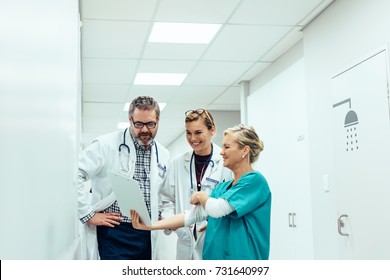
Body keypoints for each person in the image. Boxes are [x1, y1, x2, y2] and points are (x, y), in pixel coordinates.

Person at [132, 124, 271, 260]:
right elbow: (191, 216)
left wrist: (200, 195)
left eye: (227, 147)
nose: (221, 152)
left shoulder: (255, 181)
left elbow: (217, 209)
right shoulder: (222, 188)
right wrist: (150, 225)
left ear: (245, 151)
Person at [77, 96, 169, 260]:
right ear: (130, 120)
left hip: (146, 231)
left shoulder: (163, 154)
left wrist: (166, 216)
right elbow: (75, 173)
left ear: (158, 120)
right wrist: (88, 214)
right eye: (138, 124)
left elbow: (164, 195)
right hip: (114, 230)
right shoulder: (106, 144)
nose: (145, 130)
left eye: (150, 124)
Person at [159, 109, 232, 259]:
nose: (193, 138)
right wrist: (175, 224)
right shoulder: (178, 163)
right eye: (188, 133)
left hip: (215, 239)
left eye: (198, 132)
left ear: (212, 130)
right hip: (185, 240)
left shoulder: (226, 163)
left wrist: (215, 225)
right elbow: (165, 200)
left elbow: (231, 204)